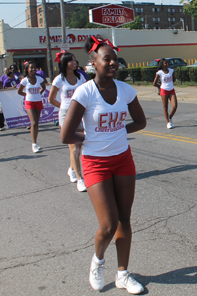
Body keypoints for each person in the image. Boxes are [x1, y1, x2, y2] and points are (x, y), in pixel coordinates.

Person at [60, 35, 146, 294]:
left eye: (114, 59)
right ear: (93, 62)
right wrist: (90, 137)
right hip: (95, 163)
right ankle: (98, 261)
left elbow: (140, 122)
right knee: (108, 224)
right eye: (106, 59)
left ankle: (123, 274)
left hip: (123, 160)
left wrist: (117, 132)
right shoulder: (85, 92)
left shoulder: (126, 89)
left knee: (124, 220)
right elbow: (66, 135)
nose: (112, 63)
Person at [48, 51, 87, 192]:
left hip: (81, 113)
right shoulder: (59, 80)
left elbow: (85, 94)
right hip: (66, 115)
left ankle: (72, 169)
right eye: (71, 61)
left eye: (75, 60)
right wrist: (66, 107)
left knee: (79, 146)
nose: (74, 62)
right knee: (74, 148)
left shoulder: (81, 77)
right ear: (64, 63)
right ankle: (80, 179)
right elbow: (51, 99)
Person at [17, 61, 47, 153]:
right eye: (31, 68)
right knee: (33, 123)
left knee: (36, 123)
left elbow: (44, 87)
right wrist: (27, 95)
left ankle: (36, 143)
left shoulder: (39, 79)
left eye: (34, 68)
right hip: (29, 103)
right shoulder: (25, 80)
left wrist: (39, 93)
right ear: (27, 69)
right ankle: (34, 144)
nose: (33, 69)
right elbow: (19, 91)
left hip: (38, 102)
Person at [153, 58, 178, 129]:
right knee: (165, 107)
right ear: (162, 65)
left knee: (175, 106)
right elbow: (154, 83)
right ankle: (168, 122)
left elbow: (174, 79)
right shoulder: (159, 72)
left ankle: (170, 118)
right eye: (165, 63)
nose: (167, 64)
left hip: (171, 90)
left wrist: (170, 83)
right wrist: (160, 86)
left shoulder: (171, 71)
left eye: (167, 63)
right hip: (164, 90)